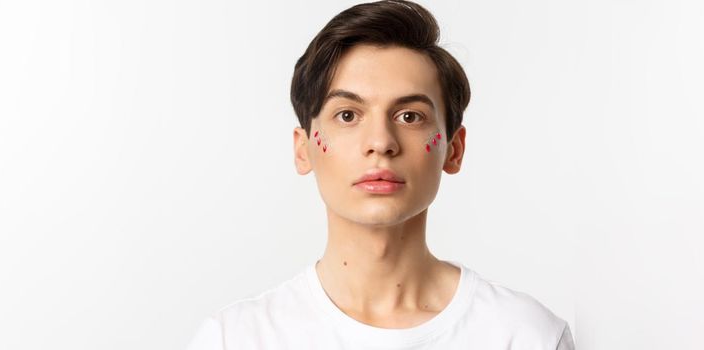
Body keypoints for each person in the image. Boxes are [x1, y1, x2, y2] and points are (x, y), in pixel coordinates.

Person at [185, 1, 575, 348]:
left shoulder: (526, 335)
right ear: (303, 149)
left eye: (410, 116)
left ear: (453, 149)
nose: (381, 142)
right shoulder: (234, 338)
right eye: (348, 115)